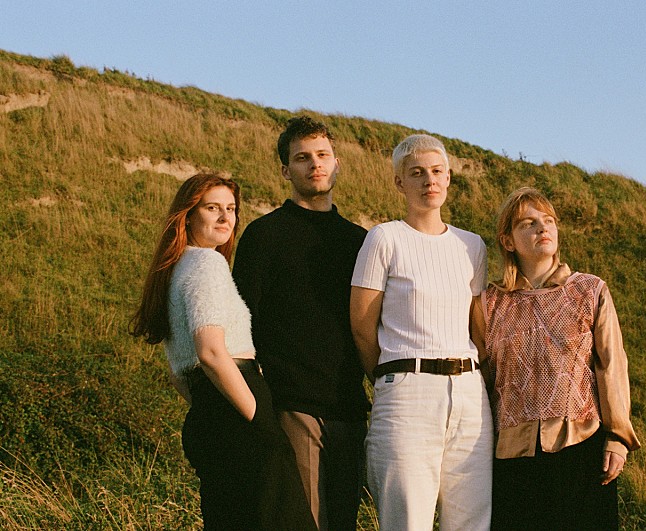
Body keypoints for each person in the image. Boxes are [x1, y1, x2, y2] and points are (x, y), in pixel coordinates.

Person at [130, 173, 316, 531]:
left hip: (208, 412)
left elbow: (177, 373)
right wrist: (257, 415)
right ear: (188, 216)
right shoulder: (207, 265)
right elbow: (211, 352)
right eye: (212, 208)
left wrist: (211, 405)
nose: (225, 218)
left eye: (230, 209)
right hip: (238, 404)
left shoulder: (174, 271)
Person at [472, 187, 641, 530]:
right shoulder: (489, 303)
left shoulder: (590, 290)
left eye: (548, 221)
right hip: (512, 456)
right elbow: (480, 378)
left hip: (582, 448)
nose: (542, 228)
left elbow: (611, 366)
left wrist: (618, 438)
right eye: (528, 223)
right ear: (507, 241)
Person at [232, 116, 369, 531]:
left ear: (337, 163)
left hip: (350, 408)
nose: (315, 164)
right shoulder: (264, 235)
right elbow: (241, 324)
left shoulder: (360, 242)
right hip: (292, 407)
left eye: (323, 155)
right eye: (302, 158)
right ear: (285, 170)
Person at [350, 134, 493, 530]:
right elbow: (362, 326)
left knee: (471, 520)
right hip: (407, 392)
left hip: (469, 394)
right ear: (400, 182)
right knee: (408, 520)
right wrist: (389, 378)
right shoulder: (385, 238)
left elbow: (476, 324)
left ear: (448, 178)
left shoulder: (472, 246)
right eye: (416, 173)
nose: (429, 180)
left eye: (436, 171)